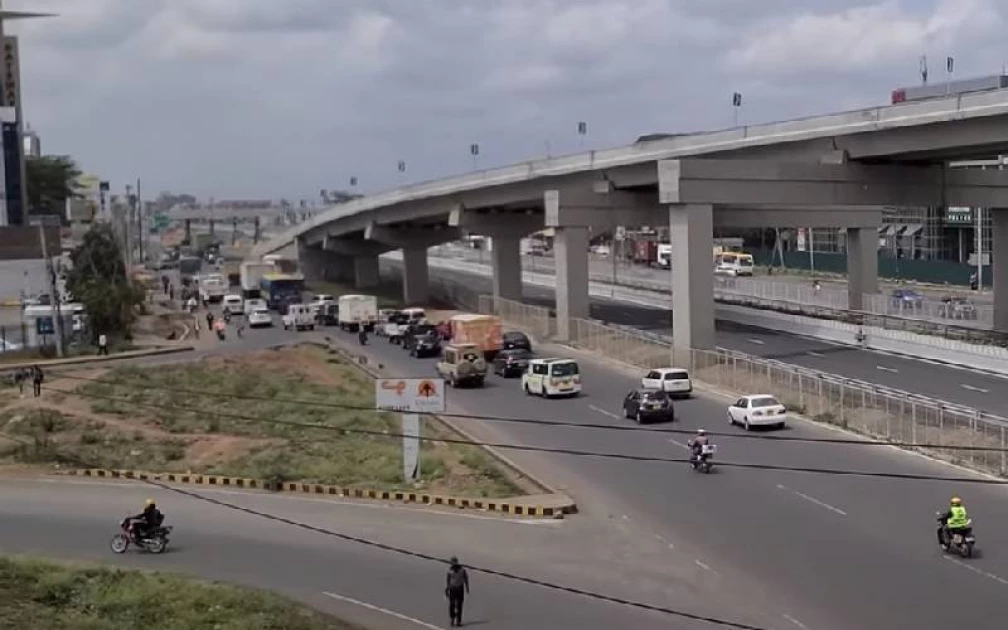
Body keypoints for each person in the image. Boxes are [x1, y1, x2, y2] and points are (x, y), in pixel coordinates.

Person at [445, 556, 469, 627]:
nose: (453, 564)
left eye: (454, 562)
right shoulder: (449, 570)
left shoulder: (462, 570)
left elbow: (465, 578)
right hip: (452, 589)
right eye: (452, 563)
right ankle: (452, 617)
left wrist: (467, 587)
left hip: (460, 589)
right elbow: (448, 580)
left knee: (459, 605)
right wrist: (447, 589)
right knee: (452, 605)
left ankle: (458, 621)